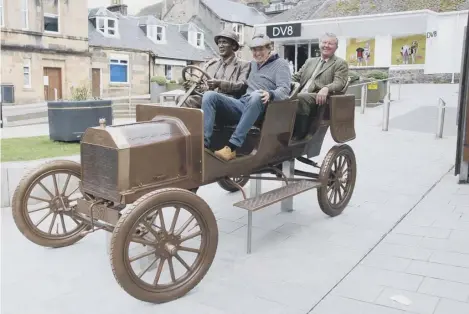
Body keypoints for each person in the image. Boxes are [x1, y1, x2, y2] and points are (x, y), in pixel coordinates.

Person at [202, 33, 292, 161]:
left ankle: (231, 147)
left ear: (269, 48)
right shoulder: (253, 64)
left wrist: (270, 94)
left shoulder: (281, 64)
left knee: (257, 95)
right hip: (243, 103)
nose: (257, 53)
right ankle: (204, 144)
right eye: (254, 50)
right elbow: (240, 82)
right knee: (210, 96)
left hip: (263, 109)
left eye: (260, 49)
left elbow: (284, 91)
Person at [291, 32, 349, 140]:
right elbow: (296, 77)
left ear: (336, 47)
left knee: (300, 97)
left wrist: (326, 88)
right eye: (324, 42)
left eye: (330, 43)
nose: (326, 45)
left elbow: (339, 83)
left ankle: (299, 134)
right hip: (301, 93)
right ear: (319, 44)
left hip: (318, 98)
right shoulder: (310, 61)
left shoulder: (340, 63)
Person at [180, 30, 250, 108]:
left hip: (229, 102)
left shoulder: (243, 65)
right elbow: (204, 87)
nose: (220, 45)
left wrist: (220, 83)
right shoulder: (212, 64)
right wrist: (193, 88)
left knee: (189, 101)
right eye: (219, 42)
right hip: (209, 98)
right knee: (181, 98)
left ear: (233, 46)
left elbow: (242, 86)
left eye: (224, 42)